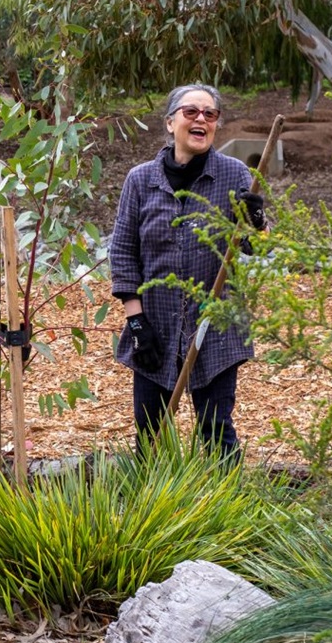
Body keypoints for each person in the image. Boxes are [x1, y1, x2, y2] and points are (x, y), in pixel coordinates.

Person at [108, 83, 265, 461]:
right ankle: (151, 509)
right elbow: (124, 252)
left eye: (210, 114)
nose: (201, 119)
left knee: (216, 430)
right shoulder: (141, 180)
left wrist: (255, 220)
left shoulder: (235, 175)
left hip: (216, 326)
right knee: (150, 433)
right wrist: (137, 323)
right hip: (154, 326)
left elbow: (253, 246)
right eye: (191, 112)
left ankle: (227, 509)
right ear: (170, 122)